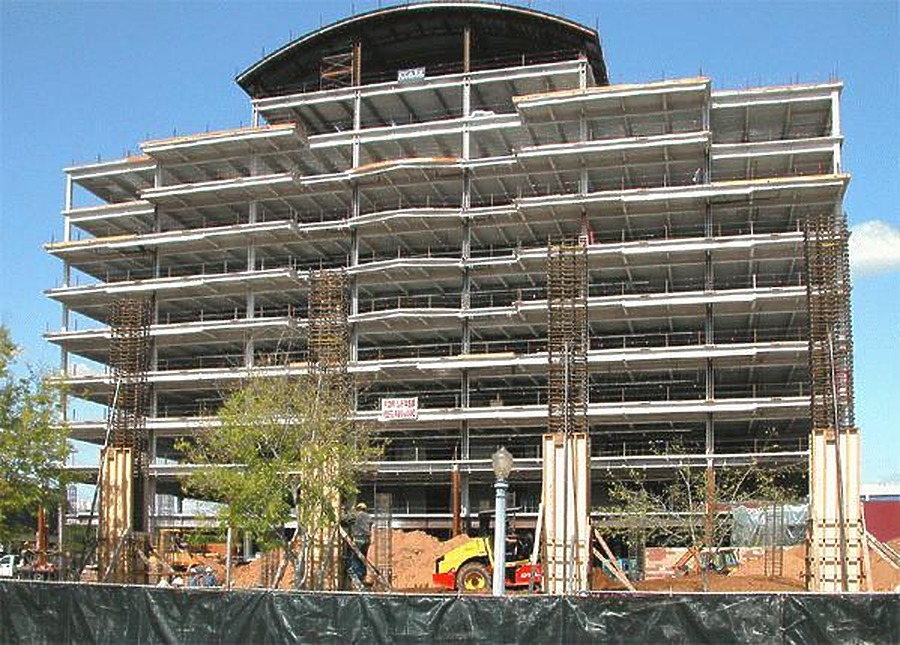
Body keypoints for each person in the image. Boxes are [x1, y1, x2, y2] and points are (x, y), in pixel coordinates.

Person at [343, 501, 373, 589]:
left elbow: (343, 520)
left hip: (358, 539)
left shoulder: (355, 515)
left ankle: (356, 575)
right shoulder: (369, 517)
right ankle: (362, 576)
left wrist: (343, 510)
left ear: (358, 509)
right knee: (363, 558)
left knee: (355, 558)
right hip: (367, 540)